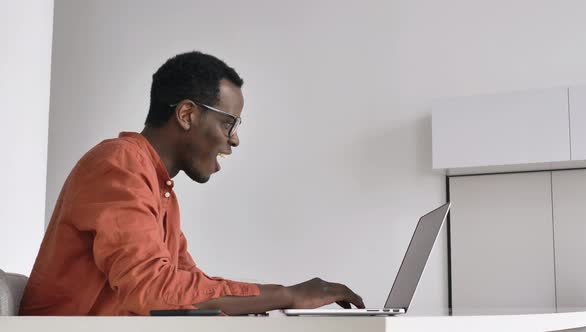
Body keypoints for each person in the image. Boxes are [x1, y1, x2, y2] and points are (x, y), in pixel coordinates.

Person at [19, 51, 365, 316]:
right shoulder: (119, 164)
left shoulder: (157, 187)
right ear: (186, 114)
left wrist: (276, 300)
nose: (234, 140)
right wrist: (288, 296)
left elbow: (186, 290)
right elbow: (153, 290)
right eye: (229, 124)